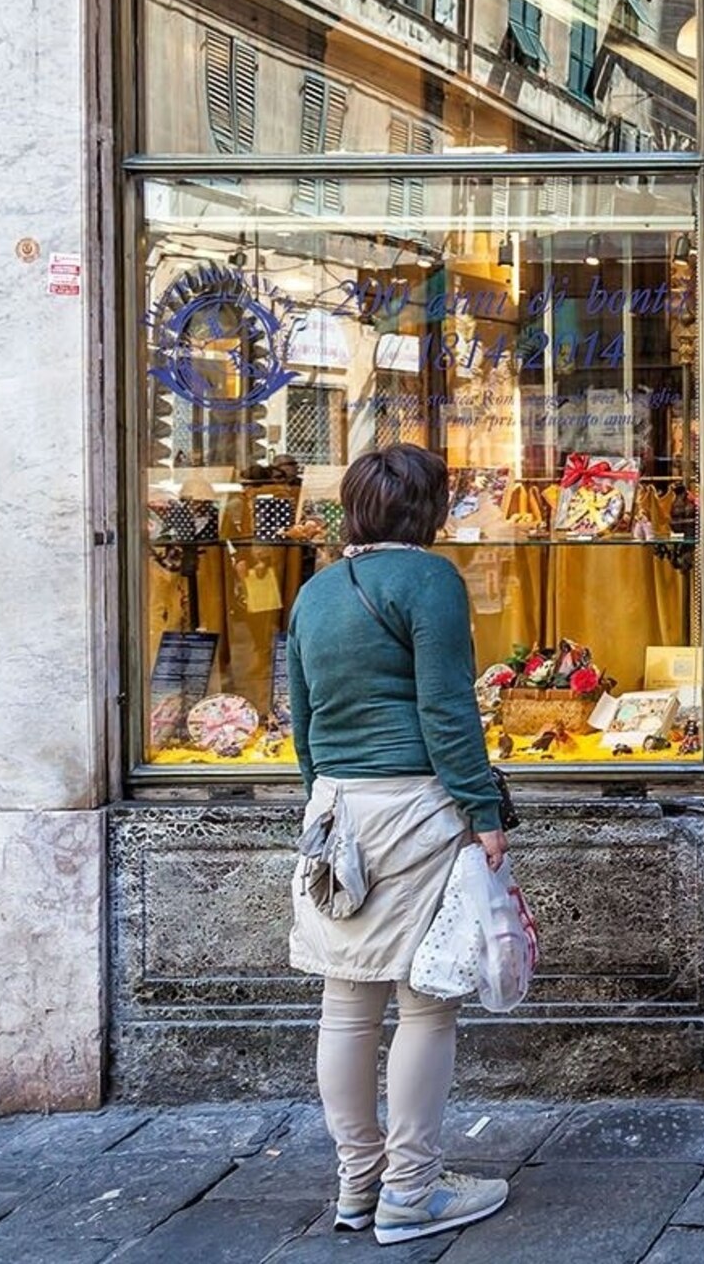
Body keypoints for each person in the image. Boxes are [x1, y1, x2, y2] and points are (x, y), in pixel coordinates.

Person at [287, 445, 513, 1247]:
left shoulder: (313, 594)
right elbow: (448, 709)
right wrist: (483, 811)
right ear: (430, 510)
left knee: (346, 1000)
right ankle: (412, 1190)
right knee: (426, 1000)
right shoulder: (430, 581)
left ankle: (360, 1181)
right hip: (416, 803)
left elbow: (303, 721)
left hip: (336, 808)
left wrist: (323, 802)